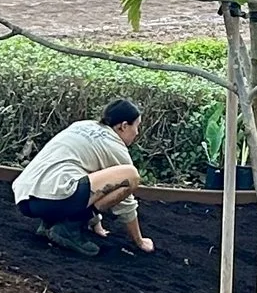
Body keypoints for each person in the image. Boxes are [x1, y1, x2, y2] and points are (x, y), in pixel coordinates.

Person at [11, 99, 153, 256]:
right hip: (53, 200)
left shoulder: (82, 125)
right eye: (137, 126)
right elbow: (125, 203)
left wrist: (96, 222)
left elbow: (90, 179)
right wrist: (139, 241)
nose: (137, 133)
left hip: (25, 199)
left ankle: (50, 223)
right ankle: (68, 229)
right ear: (124, 126)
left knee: (70, 177)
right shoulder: (115, 147)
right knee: (130, 175)